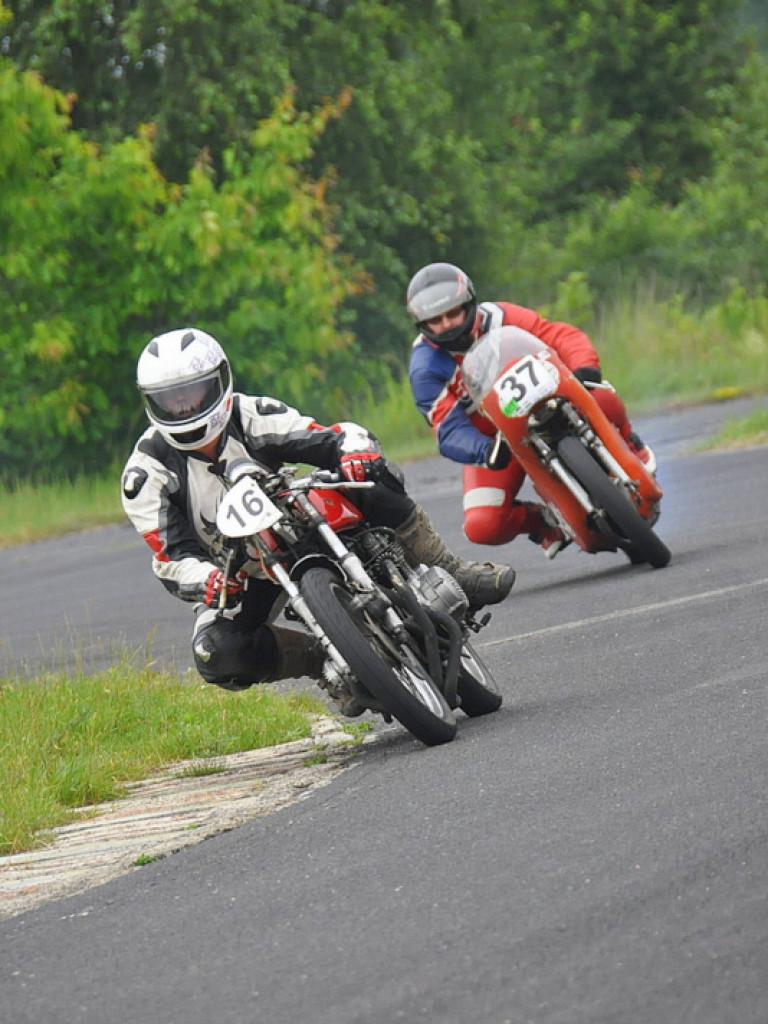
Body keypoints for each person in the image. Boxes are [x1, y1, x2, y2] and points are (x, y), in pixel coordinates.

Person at [121, 327, 515, 715]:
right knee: (215, 652)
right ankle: (324, 663)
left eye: (191, 393)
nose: (184, 408)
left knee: (370, 476)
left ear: (217, 383)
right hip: (239, 573)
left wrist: (353, 452)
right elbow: (170, 556)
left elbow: (325, 437)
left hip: (299, 518)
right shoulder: (145, 474)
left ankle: (450, 569)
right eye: (170, 400)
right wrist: (208, 579)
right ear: (151, 403)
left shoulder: (251, 413)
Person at [406, 262, 656, 559]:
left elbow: (557, 335)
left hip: (549, 401)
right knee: (482, 526)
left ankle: (630, 445)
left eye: (453, 313)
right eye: (437, 320)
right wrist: (484, 451)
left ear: (470, 304)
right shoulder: (425, 368)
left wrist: (584, 367)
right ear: (423, 325)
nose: (447, 324)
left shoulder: (501, 317)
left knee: (599, 394)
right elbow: (447, 430)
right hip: (499, 440)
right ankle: (545, 523)